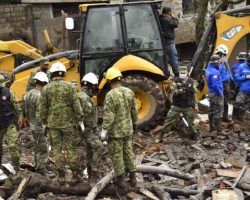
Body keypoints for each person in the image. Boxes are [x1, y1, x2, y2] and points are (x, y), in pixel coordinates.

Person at [39, 62, 84, 185]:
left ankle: (61, 177)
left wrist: (44, 122)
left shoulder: (46, 89)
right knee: (71, 149)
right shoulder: (70, 87)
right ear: (64, 73)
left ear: (52, 74)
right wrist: (80, 120)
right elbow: (77, 107)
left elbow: (43, 109)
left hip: (53, 125)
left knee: (57, 150)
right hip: (69, 124)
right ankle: (74, 176)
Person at [100, 68, 138, 188]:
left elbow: (109, 116)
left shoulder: (110, 95)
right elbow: (134, 111)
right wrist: (134, 123)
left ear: (109, 80)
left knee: (117, 155)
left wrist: (104, 131)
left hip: (116, 132)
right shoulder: (128, 91)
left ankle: (120, 180)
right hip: (128, 129)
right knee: (128, 152)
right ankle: (133, 177)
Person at [78, 72, 105, 185]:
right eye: (94, 86)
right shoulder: (84, 99)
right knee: (99, 147)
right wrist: (96, 132)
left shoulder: (82, 96)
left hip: (86, 129)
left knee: (89, 151)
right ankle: (94, 176)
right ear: (90, 85)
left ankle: (90, 177)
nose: (95, 88)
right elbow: (85, 118)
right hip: (88, 130)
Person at [159, 66, 199, 140]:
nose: (182, 74)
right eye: (181, 73)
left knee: (191, 122)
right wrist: (179, 91)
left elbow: (194, 94)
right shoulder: (176, 81)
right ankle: (161, 135)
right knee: (169, 120)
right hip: (176, 105)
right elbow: (170, 92)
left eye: (184, 73)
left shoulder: (191, 81)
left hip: (188, 106)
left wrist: (196, 105)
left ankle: (195, 135)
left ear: (187, 73)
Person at [24, 72, 49, 175]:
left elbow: (26, 110)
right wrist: (44, 126)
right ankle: (41, 170)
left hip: (32, 124)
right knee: (43, 148)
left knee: (36, 146)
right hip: (38, 126)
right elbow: (40, 114)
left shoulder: (29, 94)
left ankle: (37, 165)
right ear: (43, 82)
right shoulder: (39, 96)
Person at [0, 74, 23, 172]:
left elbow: (16, 106)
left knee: (12, 145)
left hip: (9, 122)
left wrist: (20, 116)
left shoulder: (8, 92)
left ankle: (17, 168)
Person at [206, 54, 225, 134]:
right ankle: (219, 130)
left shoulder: (208, 69)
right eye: (219, 63)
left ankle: (212, 128)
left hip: (211, 92)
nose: (219, 64)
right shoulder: (215, 72)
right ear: (215, 63)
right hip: (216, 93)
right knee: (218, 111)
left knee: (211, 110)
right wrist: (220, 93)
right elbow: (215, 85)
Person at [215, 44, 233, 122]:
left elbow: (228, 71)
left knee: (226, 100)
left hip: (226, 83)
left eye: (225, 55)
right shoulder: (215, 63)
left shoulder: (225, 61)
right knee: (219, 100)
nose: (224, 56)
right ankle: (218, 118)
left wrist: (232, 80)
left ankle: (225, 116)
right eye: (223, 54)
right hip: (220, 83)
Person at [159, 6, 179, 77]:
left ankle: (166, 73)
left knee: (165, 59)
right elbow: (176, 24)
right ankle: (176, 74)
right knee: (173, 57)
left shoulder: (160, 18)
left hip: (162, 42)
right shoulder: (167, 20)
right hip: (168, 42)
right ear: (169, 12)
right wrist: (173, 17)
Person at [233, 52, 250, 122]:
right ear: (246, 59)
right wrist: (246, 77)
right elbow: (237, 78)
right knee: (238, 102)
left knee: (246, 105)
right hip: (243, 89)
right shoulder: (241, 66)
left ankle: (241, 118)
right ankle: (234, 118)